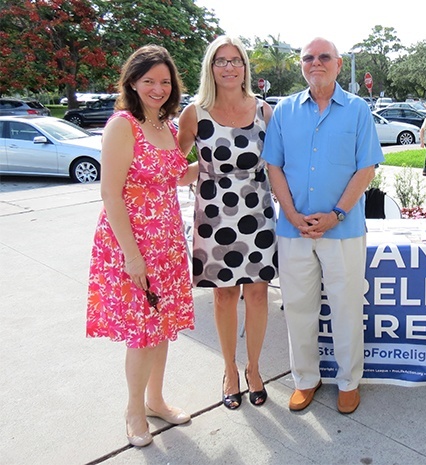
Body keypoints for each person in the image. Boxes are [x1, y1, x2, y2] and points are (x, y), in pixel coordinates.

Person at [262, 37, 384, 415]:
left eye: (324, 57)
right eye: (309, 58)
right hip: (294, 230)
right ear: (302, 65)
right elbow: (274, 166)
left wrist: (337, 215)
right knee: (298, 308)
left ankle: (349, 382)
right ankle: (305, 380)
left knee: (346, 307)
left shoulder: (358, 110)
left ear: (337, 62)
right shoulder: (285, 111)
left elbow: (366, 168)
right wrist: (292, 214)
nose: (316, 63)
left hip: (343, 230)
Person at [86, 45, 198, 448]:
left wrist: (215, 161)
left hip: (168, 241)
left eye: (165, 81)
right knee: (142, 332)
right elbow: (110, 194)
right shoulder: (123, 125)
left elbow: (173, 176)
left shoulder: (165, 125)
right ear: (132, 81)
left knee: (163, 327)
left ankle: (156, 400)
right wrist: (132, 256)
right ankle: (134, 410)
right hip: (132, 244)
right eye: (149, 80)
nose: (158, 88)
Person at [177, 36, 277, 410]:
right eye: (221, 60)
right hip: (215, 216)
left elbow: (279, 165)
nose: (230, 67)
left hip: (257, 214)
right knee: (223, 295)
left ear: (245, 67)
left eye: (236, 60)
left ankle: (254, 368)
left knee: (257, 293)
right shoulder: (195, 113)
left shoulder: (264, 111)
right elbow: (175, 164)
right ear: (211, 67)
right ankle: (229, 369)